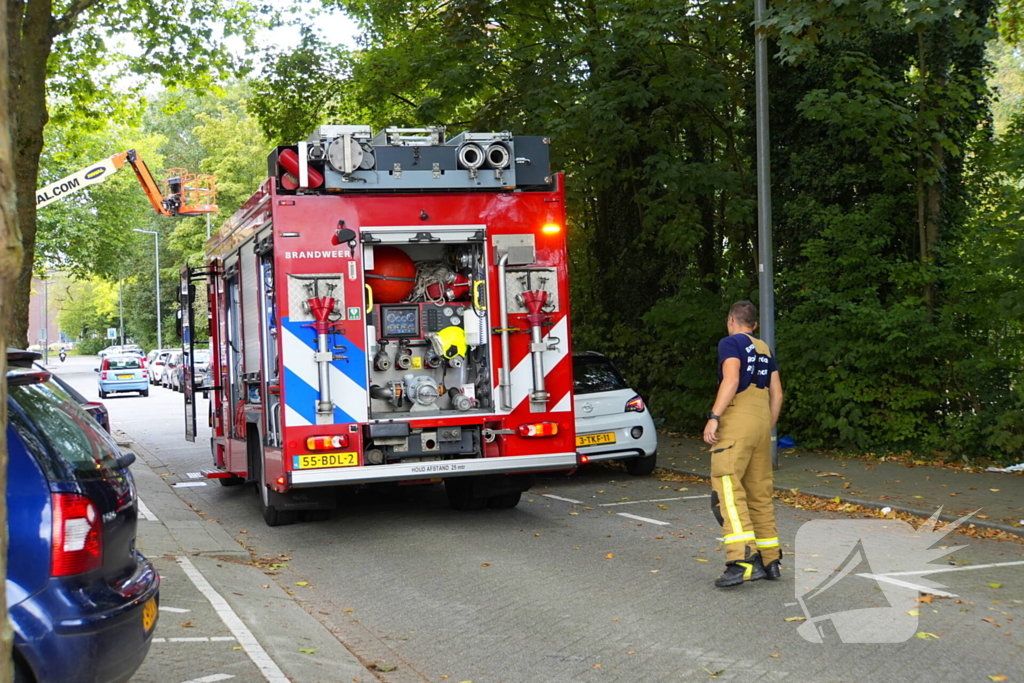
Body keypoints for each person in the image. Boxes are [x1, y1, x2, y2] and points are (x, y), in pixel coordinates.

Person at [703, 300, 784, 588]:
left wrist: (714, 416)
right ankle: (769, 560)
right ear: (755, 325)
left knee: (727, 485)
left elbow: (731, 379)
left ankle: (741, 560)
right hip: (762, 421)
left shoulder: (730, 342)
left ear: (731, 320)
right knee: (759, 493)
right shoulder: (764, 349)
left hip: (738, 418)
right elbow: (777, 393)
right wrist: (767, 424)